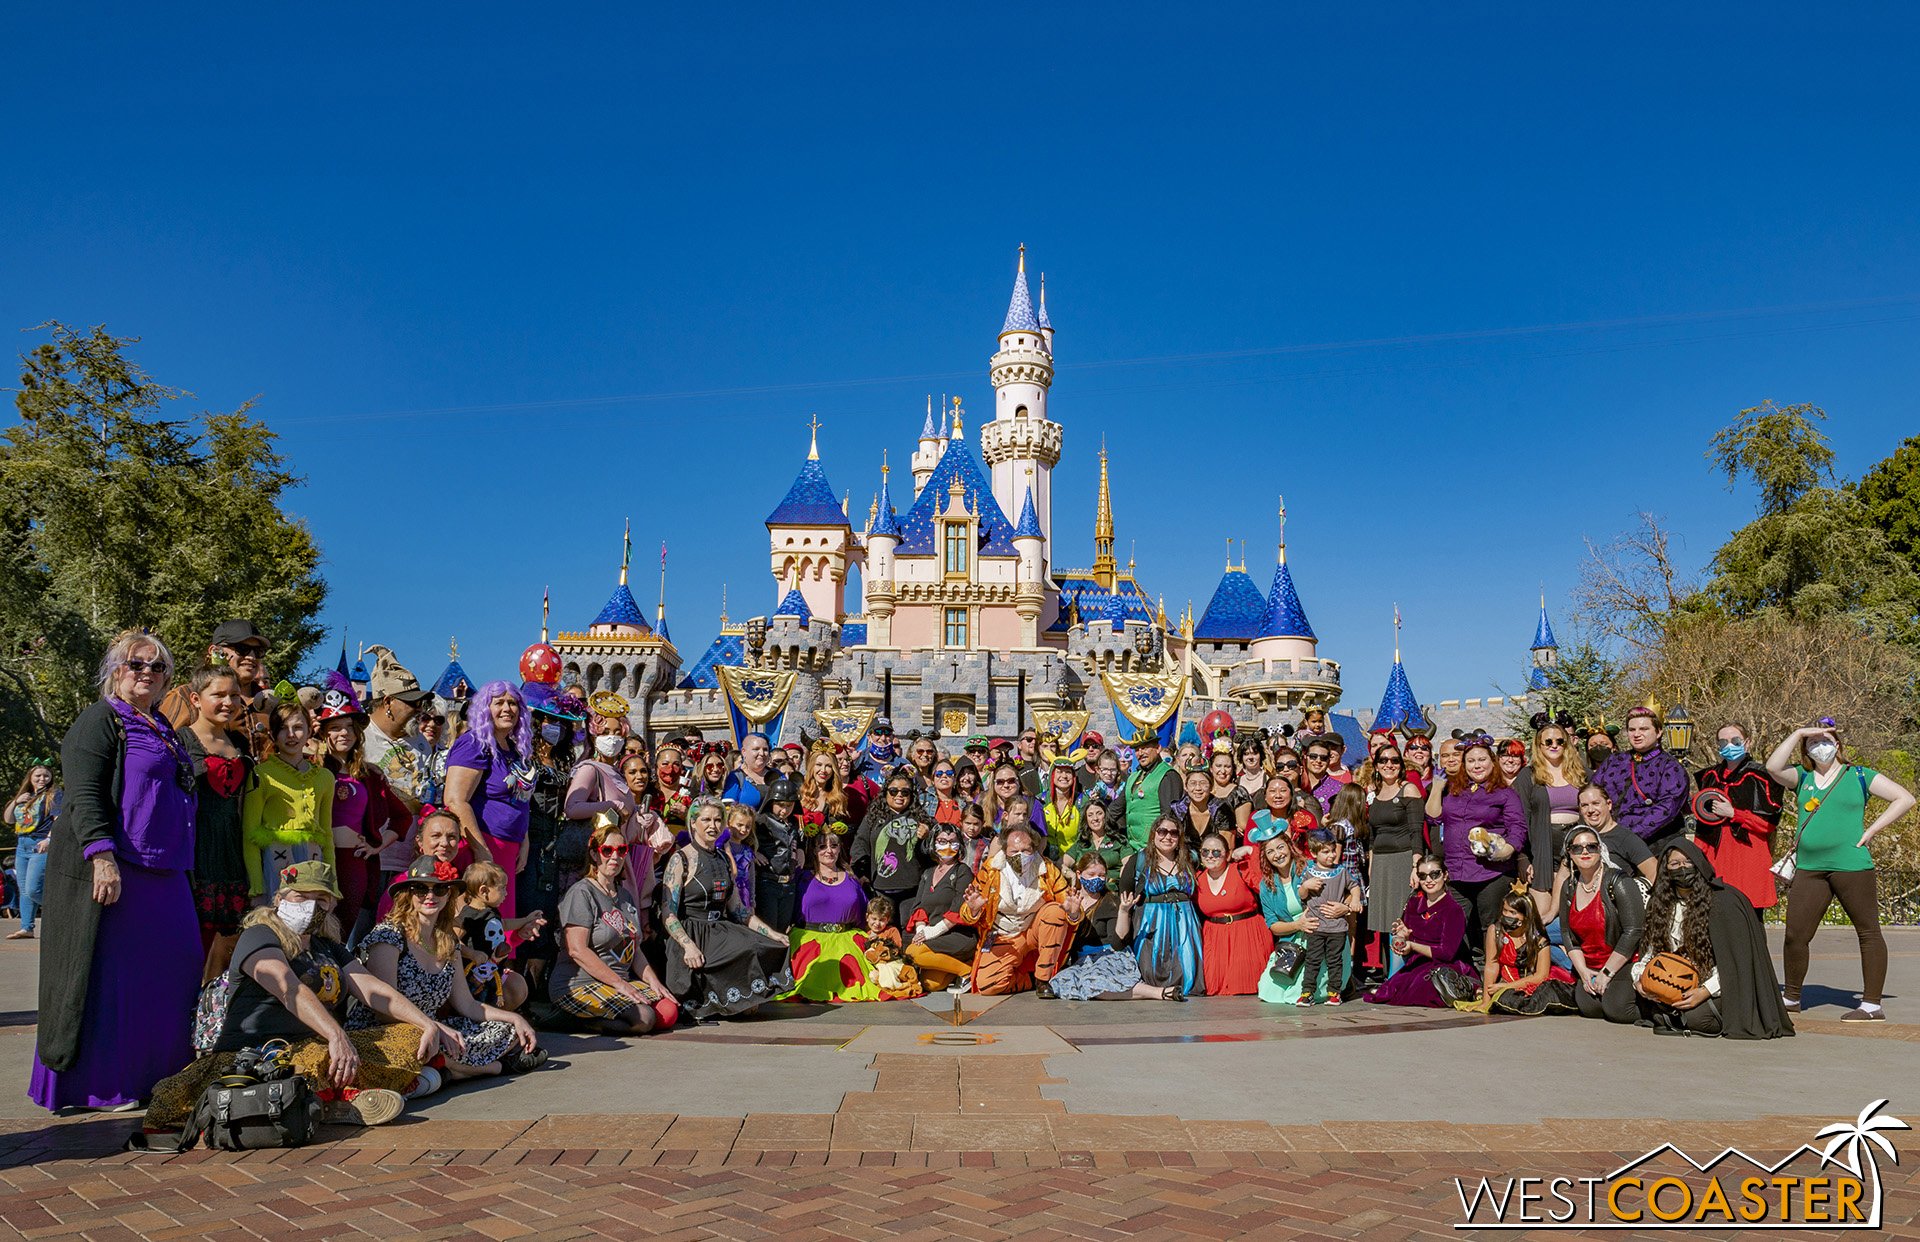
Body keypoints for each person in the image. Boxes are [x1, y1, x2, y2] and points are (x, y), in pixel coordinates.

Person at [138, 861, 456, 1136]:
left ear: (332, 905)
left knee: (410, 1036)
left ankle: (332, 1101)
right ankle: (336, 1098)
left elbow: (371, 987)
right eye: (300, 896)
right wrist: (335, 1033)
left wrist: (427, 1023)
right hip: (257, 1054)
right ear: (280, 899)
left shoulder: (326, 945)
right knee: (316, 1060)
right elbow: (287, 987)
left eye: (321, 898)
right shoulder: (260, 935)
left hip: (315, 1045)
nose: (310, 905)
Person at [31, 632, 201, 1112]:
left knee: (172, 974)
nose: (146, 673)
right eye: (135, 664)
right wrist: (101, 856)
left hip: (166, 870)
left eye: (157, 667)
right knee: (113, 980)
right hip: (118, 868)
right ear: (115, 669)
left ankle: (159, 1078)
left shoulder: (162, 725)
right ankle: (103, 1087)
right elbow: (83, 794)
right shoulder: (100, 720)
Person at [1766, 721, 1915, 1022]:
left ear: (1837, 744)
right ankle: (1792, 997)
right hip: (1810, 868)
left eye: (1825, 740)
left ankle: (1871, 1004)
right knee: (1795, 934)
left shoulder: (1859, 775)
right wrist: (1798, 733)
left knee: (1869, 932)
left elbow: (1905, 798)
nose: (1819, 746)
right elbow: (1772, 766)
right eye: (1813, 742)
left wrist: (1872, 830)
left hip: (1852, 866)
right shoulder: (1802, 776)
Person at [360, 857, 544, 1088]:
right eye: (420, 889)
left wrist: (515, 1017)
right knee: (418, 1042)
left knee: (510, 1030)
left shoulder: (448, 942)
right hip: (392, 1030)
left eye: (439, 889)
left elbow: (467, 1005)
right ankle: (493, 1067)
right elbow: (383, 1011)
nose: (430, 896)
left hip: (435, 1030)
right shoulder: (388, 936)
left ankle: (446, 1070)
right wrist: (431, 1025)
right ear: (408, 893)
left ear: (449, 895)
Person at [1633, 841, 1794, 1039]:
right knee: (1623, 1005)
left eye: (1688, 862)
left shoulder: (1723, 901)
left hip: (1718, 983)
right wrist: (1641, 979)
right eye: (1674, 864)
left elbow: (1734, 961)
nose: (1682, 868)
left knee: (1697, 1019)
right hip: (1673, 978)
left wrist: (1705, 991)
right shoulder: (1660, 902)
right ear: (1665, 868)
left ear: (1699, 863)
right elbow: (1651, 951)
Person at [661, 798, 793, 1020]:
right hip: (691, 932)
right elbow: (668, 912)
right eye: (706, 820)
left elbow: (739, 910)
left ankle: (741, 1000)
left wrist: (772, 933)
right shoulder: (681, 858)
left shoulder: (723, 858)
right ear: (693, 823)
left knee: (760, 944)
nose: (712, 826)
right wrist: (688, 946)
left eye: (717, 820)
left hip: (719, 929)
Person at [550, 822, 679, 1034]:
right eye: (607, 850)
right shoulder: (582, 892)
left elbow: (634, 949)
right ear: (594, 854)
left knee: (668, 1011)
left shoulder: (625, 895)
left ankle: (606, 1013)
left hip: (616, 983)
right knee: (644, 1018)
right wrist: (621, 985)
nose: (615, 857)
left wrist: (654, 982)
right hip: (579, 983)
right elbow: (577, 950)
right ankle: (572, 1021)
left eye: (622, 850)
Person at [177, 665, 252, 969]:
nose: (229, 702)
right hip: (196, 849)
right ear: (195, 699)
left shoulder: (242, 743)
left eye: (234, 695)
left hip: (234, 848)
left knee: (230, 939)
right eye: (218, 694)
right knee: (193, 936)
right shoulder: (180, 741)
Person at [1427, 739, 1527, 959]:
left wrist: (1506, 850)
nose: (1476, 765)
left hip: (1490, 873)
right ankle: (1464, 976)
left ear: (1492, 762)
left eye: (1482, 759)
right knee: (1454, 926)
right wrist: (1436, 788)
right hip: (1456, 871)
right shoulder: (1454, 790)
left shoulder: (1505, 793)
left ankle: (1491, 978)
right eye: (1471, 761)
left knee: (1489, 928)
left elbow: (1517, 827)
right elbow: (1433, 817)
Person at [316, 685, 400, 946]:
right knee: (313, 932)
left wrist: (376, 846)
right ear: (323, 733)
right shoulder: (310, 768)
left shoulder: (370, 775)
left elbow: (402, 817)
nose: (344, 733)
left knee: (341, 938)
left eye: (349, 727)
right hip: (318, 861)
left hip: (354, 865)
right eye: (335, 727)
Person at [444, 680, 535, 918]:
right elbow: (455, 800)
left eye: (513, 703)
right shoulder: (474, 743)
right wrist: (482, 852)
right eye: (499, 703)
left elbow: (520, 799)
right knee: (480, 925)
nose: (507, 709)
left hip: (508, 849)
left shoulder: (513, 749)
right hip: (483, 846)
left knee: (500, 928)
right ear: (485, 708)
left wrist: (524, 841)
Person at [949, 824, 1075, 995]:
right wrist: (973, 910)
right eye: (1014, 852)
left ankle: (1043, 979)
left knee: (1056, 912)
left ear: (1034, 849)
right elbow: (967, 912)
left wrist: (1073, 911)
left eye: (1026, 851)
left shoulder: (1047, 869)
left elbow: (1067, 902)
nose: (1020, 856)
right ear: (1005, 851)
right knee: (987, 986)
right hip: (1003, 935)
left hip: (1034, 930)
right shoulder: (991, 869)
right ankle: (1028, 980)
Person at [1039, 854, 1182, 1002]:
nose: (1097, 879)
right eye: (1091, 874)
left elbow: (1118, 943)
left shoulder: (1111, 900)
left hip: (1110, 956)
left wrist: (1123, 911)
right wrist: (1074, 916)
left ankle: (1160, 993)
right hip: (1082, 961)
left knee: (1095, 981)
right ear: (1079, 874)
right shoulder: (1069, 898)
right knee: (1062, 983)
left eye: (1101, 875)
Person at [242, 698, 335, 903]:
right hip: (277, 862)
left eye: (298, 727)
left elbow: (327, 834)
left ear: (310, 731)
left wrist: (332, 885)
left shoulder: (325, 778)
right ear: (273, 734)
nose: (291, 735)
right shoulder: (261, 775)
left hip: (313, 861)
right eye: (283, 728)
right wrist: (257, 887)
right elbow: (250, 835)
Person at [1557, 825, 1645, 1024]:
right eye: (1577, 848)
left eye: (1591, 846)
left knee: (1617, 1010)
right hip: (1590, 963)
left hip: (1624, 960)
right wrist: (1583, 971)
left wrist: (1607, 973)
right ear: (1570, 853)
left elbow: (1633, 931)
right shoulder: (1569, 887)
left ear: (1600, 849)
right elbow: (1566, 933)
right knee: (1590, 1008)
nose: (1585, 852)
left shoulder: (1618, 881)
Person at [1692, 722, 1783, 912]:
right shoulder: (1710, 775)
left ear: (1747, 742)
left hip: (1748, 856)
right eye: (1723, 742)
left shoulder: (1762, 775)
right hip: (1714, 855)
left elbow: (1768, 825)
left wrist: (1734, 814)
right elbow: (1703, 824)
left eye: (1735, 740)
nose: (1729, 746)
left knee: (1750, 918)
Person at [1363, 858, 1474, 1009]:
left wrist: (1413, 945)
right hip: (1417, 964)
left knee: (1421, 989)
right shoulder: (1413, 904)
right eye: (1423, 876)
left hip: (1445, 966)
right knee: (1389, 991)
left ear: (1445, 875)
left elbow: (1446, 953)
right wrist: (1403, 937)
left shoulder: (1454, 910)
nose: (1429, 880)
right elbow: (1408, 940)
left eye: (1434, 874)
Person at [784, 832, 880, 1002]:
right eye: (822, 847)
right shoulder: (802, 877)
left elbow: (865, 912)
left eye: (833, 846)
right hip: (809, 943)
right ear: (814, 850)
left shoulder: (851, 879)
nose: (829, 851)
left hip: (847, 943)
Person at [1118, 817, 1203, 996]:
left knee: (1186, 963)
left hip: (1185, 922)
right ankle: (1158, 992)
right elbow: (1125, 891)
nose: (1167, 837)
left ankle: (1182, 989)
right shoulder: (1139, 860)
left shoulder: (1190, 858)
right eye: (1162, 832)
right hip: (1151, 921)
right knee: (1151, 966)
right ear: (1153, 834)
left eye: (1173, 833)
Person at [156, 619, 271, 749]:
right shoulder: (185, 696)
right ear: (214, 651)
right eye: (242, 649)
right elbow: (163, 749)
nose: (251, 657)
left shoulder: (268, 702)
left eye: (258, 651)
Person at [1365, 743, 1425, 976]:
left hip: (1402, 859)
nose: (1389, 764)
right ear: (1377, 765)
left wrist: (1415, 865)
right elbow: (1372, 835)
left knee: (1400, 921)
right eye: (1384, 761)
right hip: (1380, 862)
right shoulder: (1375, 793)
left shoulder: (1408, 789)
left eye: (1394, 760)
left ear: (1401, 765)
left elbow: (1416, 831)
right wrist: (1371, 865)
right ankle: (1392, 974)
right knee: (1386, 922)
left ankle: (1397, 977)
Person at [1591, 707, 1690, 847]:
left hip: (1654, 845)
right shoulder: (1614, 760)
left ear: (1658, 732)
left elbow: (1667, 807)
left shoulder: (1670, 766)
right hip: (1607, 839)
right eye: (1632, 730)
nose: (1636, 734)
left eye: (1643, 729)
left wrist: (1628, 838)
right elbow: (1592, 793)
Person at [1513, 721, 1585, 907]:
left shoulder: (1580, 773)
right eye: (1548, 742)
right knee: (1543, 914)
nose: (1554, 745)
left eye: (1560, 741)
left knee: (1576, 907)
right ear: (1539, 745)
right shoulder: (1528, 775)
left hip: (1577, 848)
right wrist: (1522, 857)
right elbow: (1519, 818)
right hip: (1542, 850)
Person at [904, 823, 979, 992]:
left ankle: (966, 973)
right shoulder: (928, 873)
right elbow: (919, 907)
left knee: (913, 953)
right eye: (942, 841)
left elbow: (958, 908)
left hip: (958, 935)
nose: (948, 846)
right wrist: (921, 931)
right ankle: (962, 966)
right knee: (931, 984)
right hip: (932, 936)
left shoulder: (962, 871)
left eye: (953, 842)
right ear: (933, 843)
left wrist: (930, 933)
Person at [1195, 830, 1269, 996]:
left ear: (1227, 855)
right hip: (1215, 941)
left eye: (1216, 852)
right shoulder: (1198, 879)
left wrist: (1251, 851)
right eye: (1205, 851)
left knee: (1246, 990)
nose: (1210, 856)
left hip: (1247, 935)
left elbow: (1263, 883)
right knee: (1214, 991)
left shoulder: (1240, 870)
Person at [851, 772, 932, 918]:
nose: (899, 795)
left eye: (905, 792)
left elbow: (933, 851)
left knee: (908, 930)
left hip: (912, 889)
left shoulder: (922, 818)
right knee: (883, 931)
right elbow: (860, 843)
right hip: (880, 887)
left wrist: (928, 836)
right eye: (893, 791)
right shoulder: (873, 817)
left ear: (912, 794)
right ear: (886, 792)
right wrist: (861, 872)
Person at [1295, 831, 1361, 1006]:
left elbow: (1354, 886)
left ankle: (1334, 992)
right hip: (1316, 926)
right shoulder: (1309, 871)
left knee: (1334, 961)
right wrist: (1306, 886)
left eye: (1333, 850)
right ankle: (1307, 992)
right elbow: (1301, 894)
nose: (1332, 854)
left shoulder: (1341, 871)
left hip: (1336, 927)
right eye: (1326, 851)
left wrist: (1355, 899)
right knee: (1312, 960)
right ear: (1314, 853)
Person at [460, 861, 534, 1012]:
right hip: (472, 976)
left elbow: (504, 924)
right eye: (502, 888)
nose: (507, 893)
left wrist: (526, 920)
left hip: (492, 971)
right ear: (484, 891)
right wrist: (471, 953)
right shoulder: (469, 916)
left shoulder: (491, 912)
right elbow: (453, 940)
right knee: (478, 1001)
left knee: (491, 999)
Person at [6, 763, 61, 940]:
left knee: (32, 889)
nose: (42, 779)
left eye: (46, 776)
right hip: (22, 845)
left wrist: (50, 839)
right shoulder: (26, 796)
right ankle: (26, 927)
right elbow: (8, 819)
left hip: (41, 844)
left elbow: (58, 819)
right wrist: (16, 801)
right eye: (37, 776)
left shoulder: (54, 795)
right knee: (23, 889)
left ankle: (64, 910)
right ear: (30, 778)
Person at [1569, 785, 1656, 885]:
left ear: (1609, 804)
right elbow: (1563, 876)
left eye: (1596, 803)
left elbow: (1654, 872)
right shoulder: (1577, 838)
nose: (1590, 810)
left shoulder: (1625, 838)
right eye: (1584, 805)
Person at [1119, 730, 1183, 855]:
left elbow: (1168, 815)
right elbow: (1118, 808)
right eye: (1137, 749)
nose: (1140, 753)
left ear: (1158, 748)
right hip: (1132, 848)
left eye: (1145, 748)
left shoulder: (1168, 775)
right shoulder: (1133, 776)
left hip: (1156, 850)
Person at [1037, 759, 1086, 860]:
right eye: (1059, 771)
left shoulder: (1083, 802)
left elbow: (1084, 838)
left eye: (1068, 772)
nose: (1064, 776)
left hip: (1074, 860)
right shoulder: (1040, 801)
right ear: (1052, 775)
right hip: (1043, 859)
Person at [724, 733, 773, 811]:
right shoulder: (735, 778)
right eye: (756, 749)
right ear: (744, 752)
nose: (762, 753)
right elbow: (729, 810)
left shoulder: (778, 775)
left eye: (765, 749)